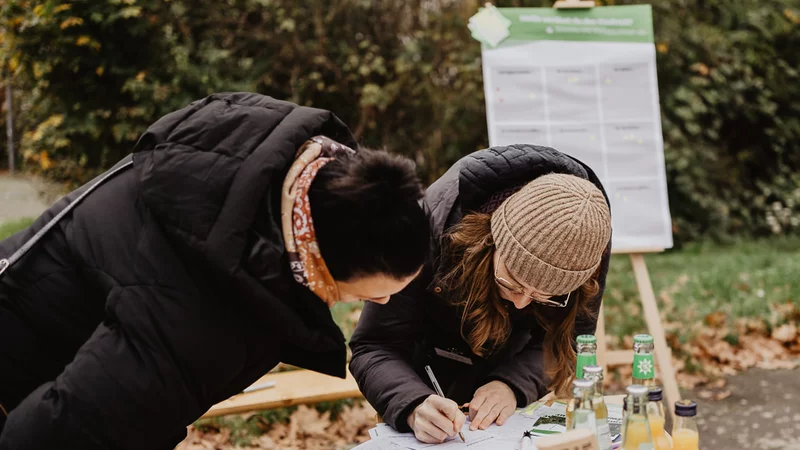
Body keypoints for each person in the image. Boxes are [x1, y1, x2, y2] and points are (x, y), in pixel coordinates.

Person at [0, 92, 430, 449]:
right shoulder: (195, 321)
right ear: (316, 265)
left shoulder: (259, 167)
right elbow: (49, 436)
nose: (383, 303)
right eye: (365, 294)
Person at [349, 144, 612, 444]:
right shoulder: (429, 226)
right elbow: (374, 345)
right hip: (422, 375)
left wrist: (512, 384)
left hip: (506, 401)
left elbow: (569, 340)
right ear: (491, 241)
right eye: (511, 282)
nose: (521, 301)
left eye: (545, 295)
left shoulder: (587, 240)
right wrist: (412, 404)